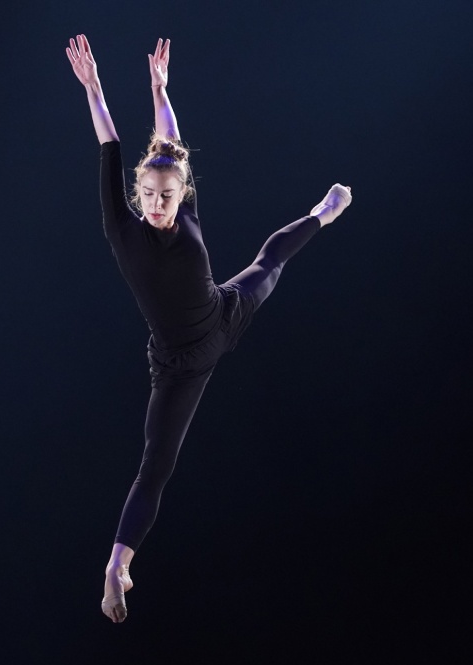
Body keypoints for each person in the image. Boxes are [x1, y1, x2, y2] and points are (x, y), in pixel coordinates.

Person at [65, 35, 352, 623]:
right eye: (147, 194)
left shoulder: (188, 208)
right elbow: (111, 143)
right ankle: (117, 565)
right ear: (135, 194)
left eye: (167, 195)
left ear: (182, 193)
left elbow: (170, 138)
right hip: (178, 362)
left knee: (269, 260)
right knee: (156, 465)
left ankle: (324, 212)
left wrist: (160, 89)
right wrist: (94, 88)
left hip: (223, 314)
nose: (156, 203)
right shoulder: (121, 226)